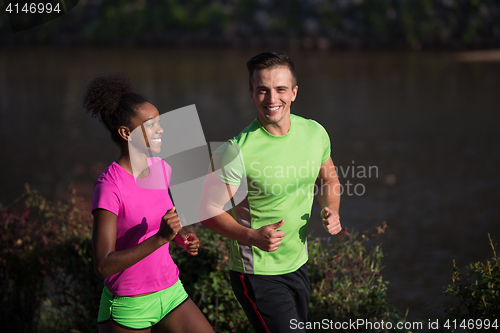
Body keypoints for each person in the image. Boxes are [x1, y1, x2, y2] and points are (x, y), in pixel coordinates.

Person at [200, 52, 342, 332]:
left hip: (299, 264)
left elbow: (329, 179)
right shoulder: (234, 151)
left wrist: (332, 209)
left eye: (280, 89)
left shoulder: (314, 133)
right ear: (251, 94)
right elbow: (206, 210)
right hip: (257, 274)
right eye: (262, 90)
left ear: (294, 92)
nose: (271, 98)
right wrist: (251, 236)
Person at [84, 73, 214, 333]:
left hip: (171, 292)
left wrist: (181, 236)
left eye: (159, 122)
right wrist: (161, 240)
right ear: (125, 132)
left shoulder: (162, 168)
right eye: (151, 125)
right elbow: (103, 265)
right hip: (130, 305)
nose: (161, 129)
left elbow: (160, 223)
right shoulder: (110, 187)